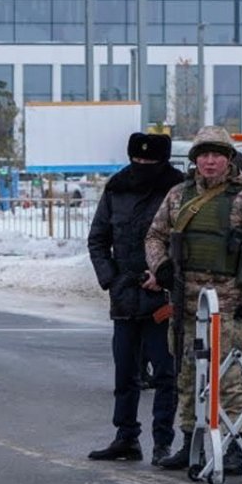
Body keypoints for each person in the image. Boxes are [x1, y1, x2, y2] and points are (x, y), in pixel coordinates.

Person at [144, 125, 242, 472]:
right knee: (185, 376)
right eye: (204, 155)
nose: (210, 161)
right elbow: (154, 236)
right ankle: (191, 443)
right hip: (185, 304)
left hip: (228, 304)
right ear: (195, 160)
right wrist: (161, 267)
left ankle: (234, 447)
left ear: (229, 159)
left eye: (217, 155)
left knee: (230, 378)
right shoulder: (177, 196)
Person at [87, 132, 184, 465]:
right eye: (137, 160)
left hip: (164, 298)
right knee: (125, 373)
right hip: (125, 297)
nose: (142, 166)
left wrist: (167, 275)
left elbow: (185, 242)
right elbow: (98, 240)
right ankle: (126, 437)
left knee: (166, 375)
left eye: (149, 161)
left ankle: (163, 443)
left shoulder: (178, 189)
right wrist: (112, 280)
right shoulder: (116, 188)